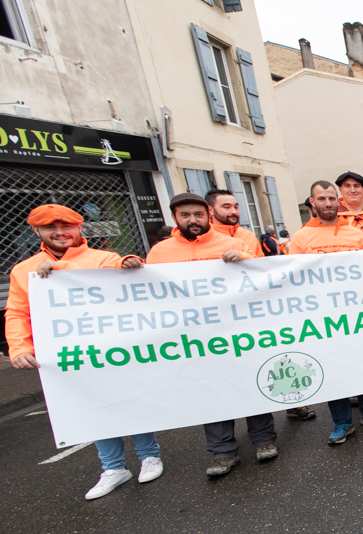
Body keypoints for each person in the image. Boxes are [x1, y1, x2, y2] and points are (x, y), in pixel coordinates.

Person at [6, 205, 161, 500]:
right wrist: (20, 347)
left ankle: (149, 455)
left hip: (113, 349)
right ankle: (113, 467)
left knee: (131, 400)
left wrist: (124, 262)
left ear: (79, 228)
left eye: (66, 226)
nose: (60, 232)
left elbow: (129, 278)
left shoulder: (103, 258)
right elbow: (17, 313)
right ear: (36, 231)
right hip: (70, 354)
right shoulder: (23, 269)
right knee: (93, 407)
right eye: (50, 228)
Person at [146, 193, 274, 477]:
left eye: (198, 214)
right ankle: (222, 452)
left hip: (237, 331)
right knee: (210, 391)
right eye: (185, 215)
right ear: (175, 218)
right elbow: (149, 291)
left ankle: (264, 440)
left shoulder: (232, 243)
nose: (192, 220)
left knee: (251, 383)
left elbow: (263, 274)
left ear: (208, 215)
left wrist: (244, 259)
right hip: (194, 337)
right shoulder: (160, 252)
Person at [291, 181, 363, 441]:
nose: (328, 203)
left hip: (357, 313)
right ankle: (342, 422)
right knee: (332, 368)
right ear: (312, 202)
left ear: (338, 201)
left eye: (331, 198)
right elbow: (295, 281)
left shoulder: (355, 234)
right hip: (322, 317)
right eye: (321, 199)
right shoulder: (301, 237)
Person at [205, 189, 264, 258]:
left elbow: (260, 263)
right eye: (227, 207)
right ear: (210, 211)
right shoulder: (203, 237)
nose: (234, 212)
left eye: (236, 207)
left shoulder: (248, 235)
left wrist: (243, 256)